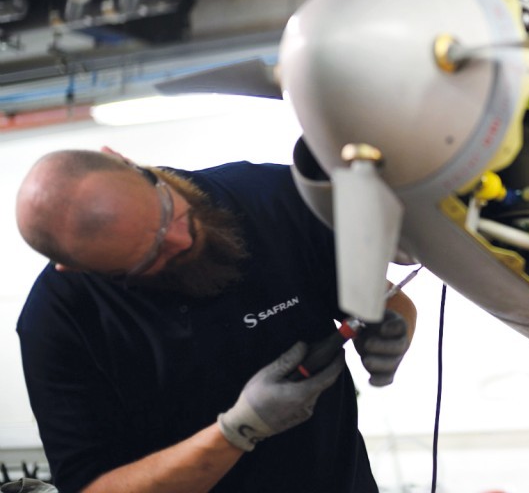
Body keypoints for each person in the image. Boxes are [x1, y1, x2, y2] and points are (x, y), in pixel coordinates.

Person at [15, 148, 417, 493]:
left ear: (122, 161)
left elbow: (385, 298)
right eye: (150, 256)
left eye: (168, 210)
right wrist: (238, 431)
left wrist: (392, 326)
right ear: (75, 267)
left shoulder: (270, 196)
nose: (182, 240)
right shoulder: (57, 324)